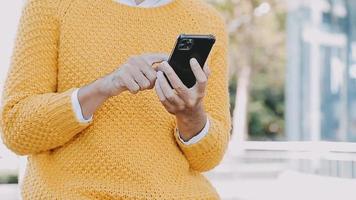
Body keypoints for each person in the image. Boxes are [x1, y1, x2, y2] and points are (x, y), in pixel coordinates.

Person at [0, 0, 231, 199]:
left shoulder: (206, 20)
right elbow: (16, 129)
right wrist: (103, 88)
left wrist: (190, 115)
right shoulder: (51, 6)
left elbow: (209, 158)